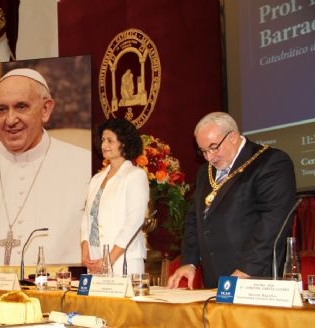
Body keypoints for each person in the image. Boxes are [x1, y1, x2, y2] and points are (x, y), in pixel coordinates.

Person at [0, 68, 90, 266]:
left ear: (46, 109)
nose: (10, 120)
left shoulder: (85, 167)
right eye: (2, 109)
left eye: (21, 107)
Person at [168, 112, 296, 289]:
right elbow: (194, 219)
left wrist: (246, 270)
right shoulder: (205, 172)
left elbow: (273, 223)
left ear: (233, 137)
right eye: (204, 151)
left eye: (214, 147)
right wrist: (189, 262)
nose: (209, 157)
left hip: (255, 278)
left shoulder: (270, 162)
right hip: (215, 278)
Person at [81, 119, 149, 275]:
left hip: (123, 260)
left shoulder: (135, 176)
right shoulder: (97, 179)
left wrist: (109, 259)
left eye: (110, 140)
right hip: (96, 258)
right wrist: (85, 249)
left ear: (123, 143)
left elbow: (134, 221)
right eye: (103, 140)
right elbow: (87, 217)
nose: (104, 145)